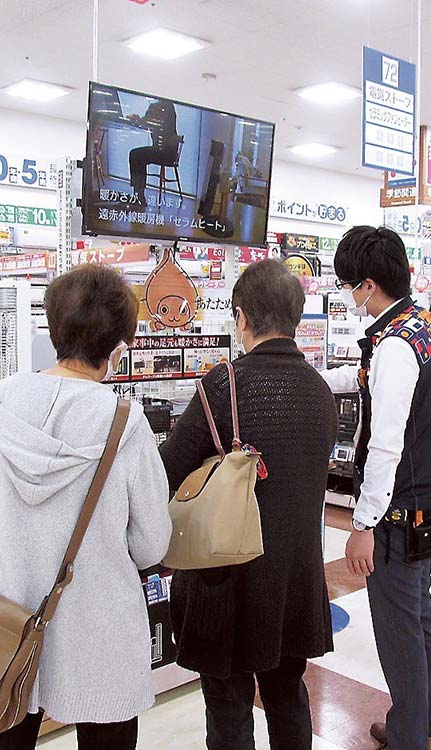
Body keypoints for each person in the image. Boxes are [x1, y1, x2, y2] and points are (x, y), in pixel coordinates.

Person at [0, 264, 172, 750]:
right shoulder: (125, 425)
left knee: (5, 728)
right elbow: (152, 542)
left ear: (52, 329)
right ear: (118, 346)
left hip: (5, 621)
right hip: (100, 628)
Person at [160, 260, 338, 750]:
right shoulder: (321, 392)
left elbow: (167, 471)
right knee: (288, 698)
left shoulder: (224, 385)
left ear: (240, 317)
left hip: (226, 576)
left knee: (228, 705)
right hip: (294, 577)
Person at [322, 226, 431, 750]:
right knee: (419, 620)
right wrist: (314, 376)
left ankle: (409, 740)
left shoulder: (394, 345)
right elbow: (366, 381)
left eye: (349, 284)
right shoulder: (421, 327)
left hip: (398, 514)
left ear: (369, 285)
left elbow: (385, 446)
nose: (348, 295)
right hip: (428, 499)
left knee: (399, 629)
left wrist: (362, 525)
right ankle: (419, 727)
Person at [127, 99, 180, 208]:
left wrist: (141, 120)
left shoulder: (167, 107)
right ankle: (138, 195)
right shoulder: (156, 106)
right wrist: (138, 120)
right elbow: (147, 122)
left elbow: (156, 123)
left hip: (167, 152)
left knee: (136, 155)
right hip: (158, 149)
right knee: (137, 155)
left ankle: (139, 196)